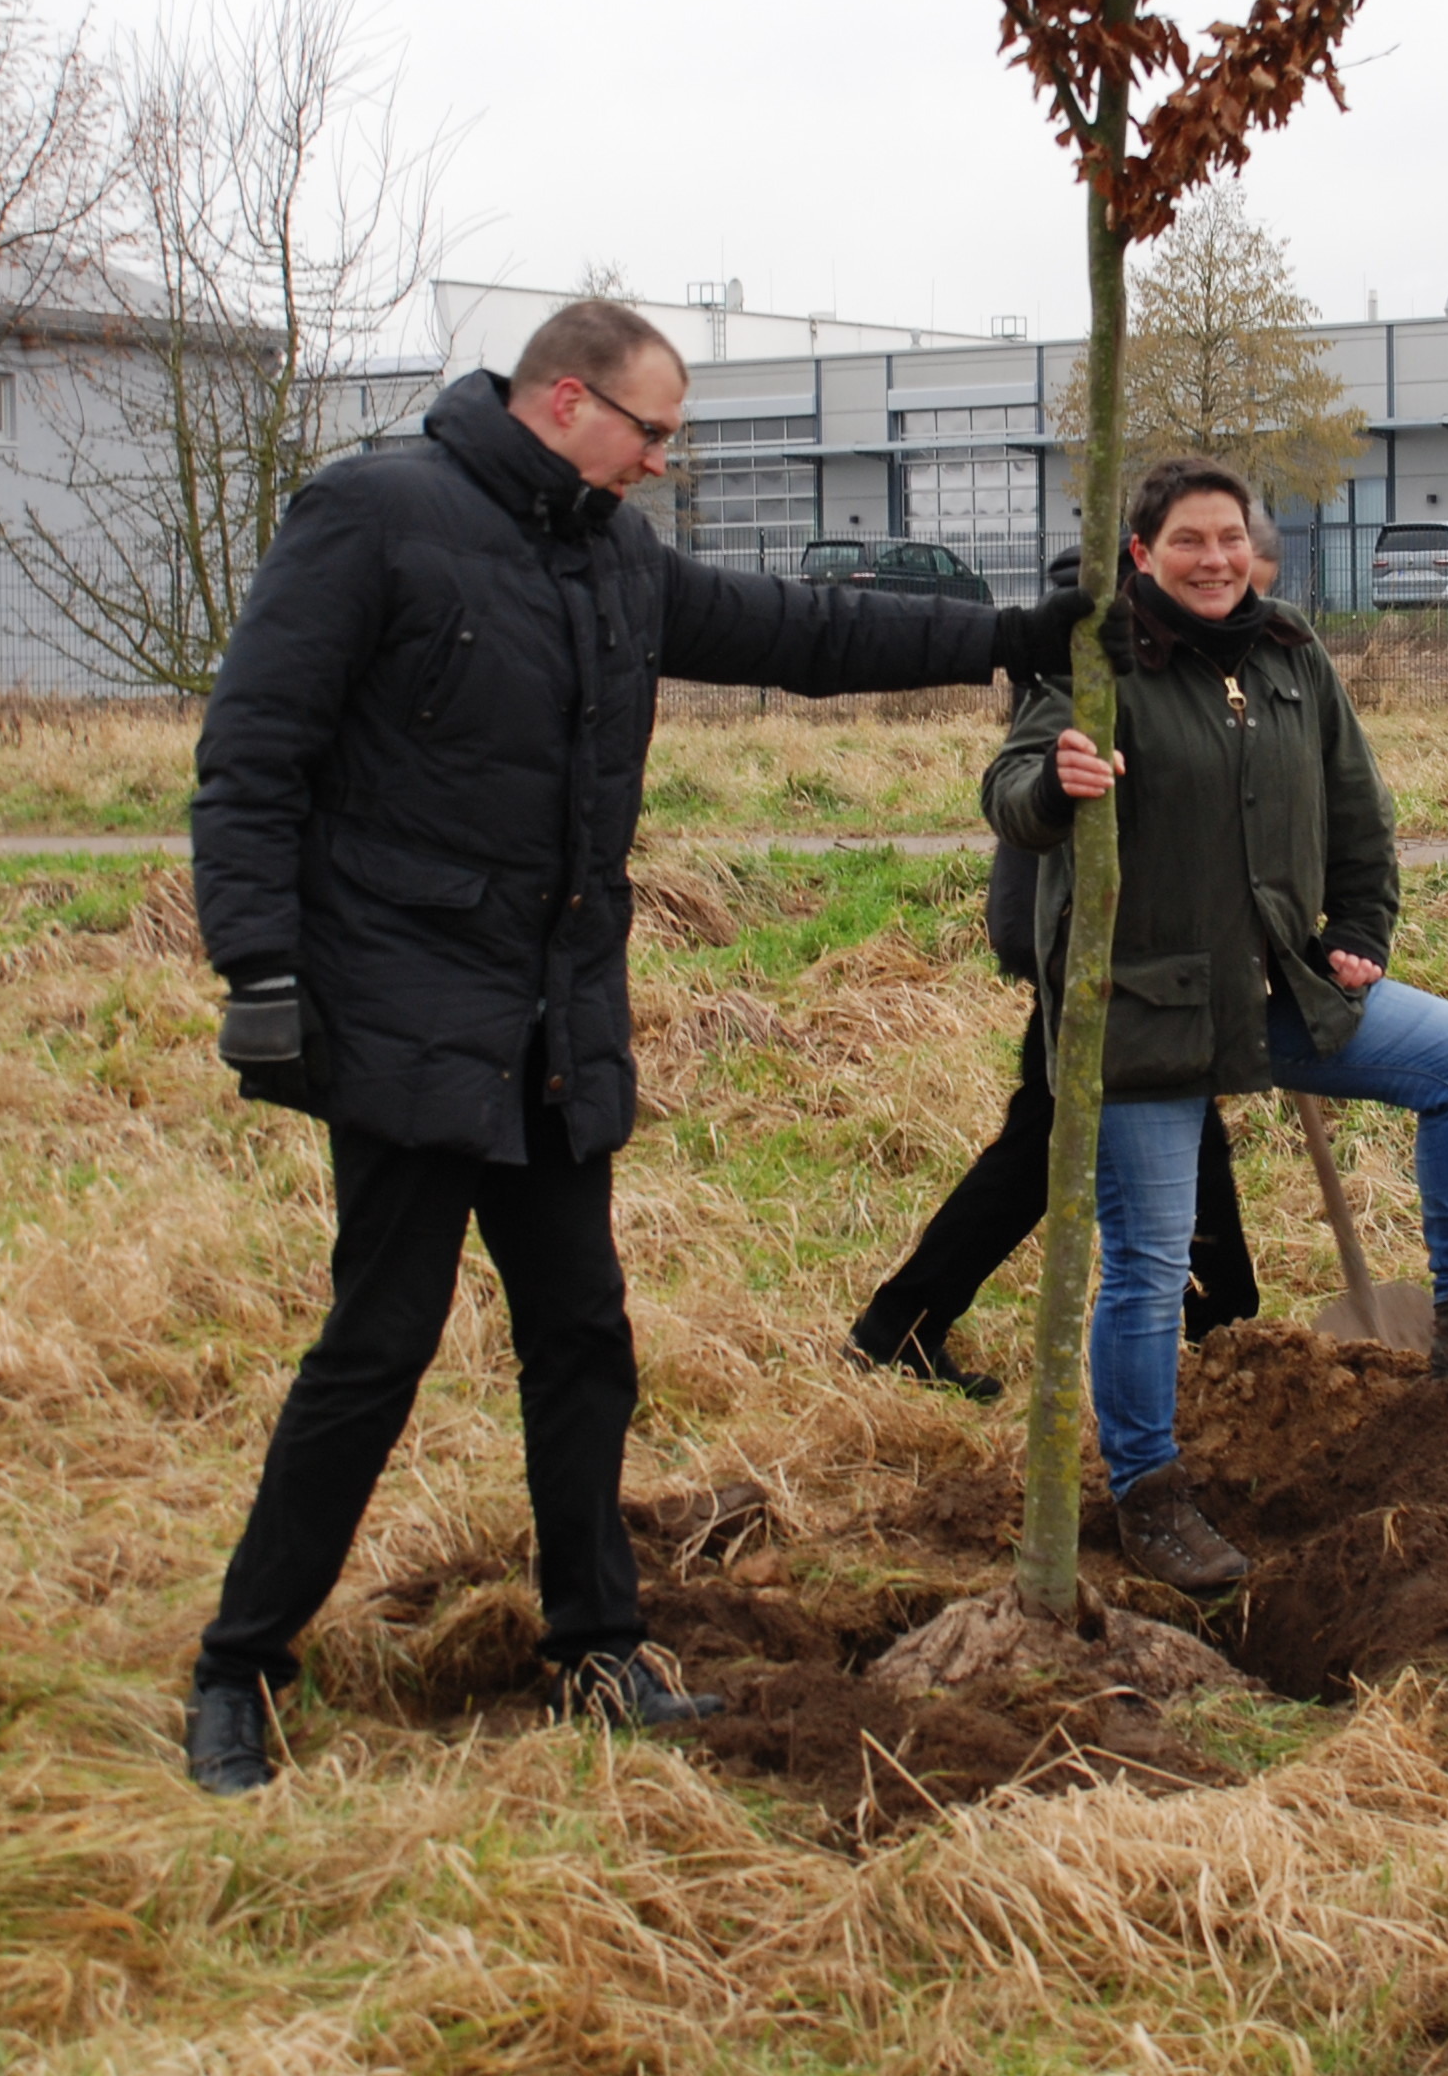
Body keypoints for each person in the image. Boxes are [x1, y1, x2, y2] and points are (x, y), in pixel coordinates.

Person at [183, 298, 1092, 1793]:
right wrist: (261, 971)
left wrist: (1002, 636)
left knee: (585, 1344)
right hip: (407, 1012)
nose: (666, 463)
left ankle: (598, 1646)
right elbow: (254, 750)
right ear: (562, 403)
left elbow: (793, 630)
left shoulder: (607, 553)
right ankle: (241, 1668)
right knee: (377, 1347)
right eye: (653, 431)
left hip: (555, 1024)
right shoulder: (373, 517)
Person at [983, 456, 1448, 1594]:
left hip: (1277, 984)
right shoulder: (1093, 663)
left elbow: (1355, 807)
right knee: (1149, 1263)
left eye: (1230, 538)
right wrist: (1054, 783)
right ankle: (1150, 1493)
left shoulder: (1287, 655)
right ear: (1140, 554)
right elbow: (1011, 799)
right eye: (1187, 541)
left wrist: (1359, 924)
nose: (1213, 559)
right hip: (1141, 1011)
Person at [846, 530, 1278, 1396]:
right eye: (1232, 577)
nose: (1237, 599)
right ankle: (1223, 1326)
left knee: (1078, 1136)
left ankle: (1221, 1322)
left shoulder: (1174, 636)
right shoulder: (1106, 639)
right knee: (1060, 1138)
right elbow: (1044, 791)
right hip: (1085, 936)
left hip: (1135, 950)